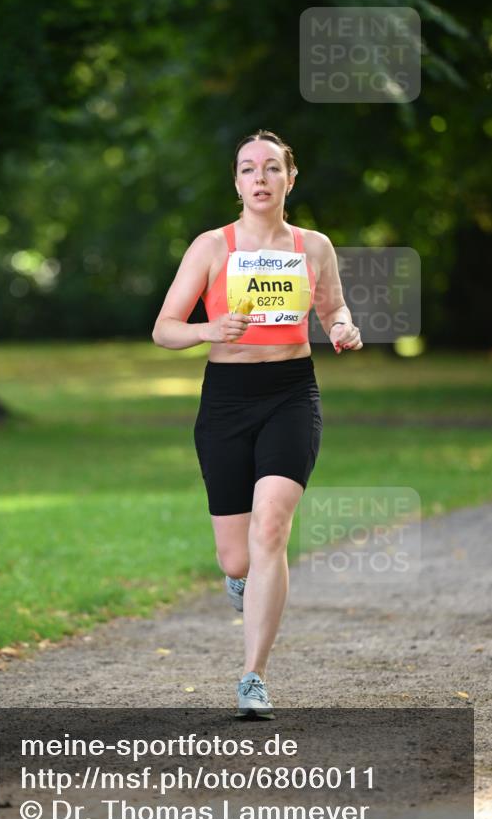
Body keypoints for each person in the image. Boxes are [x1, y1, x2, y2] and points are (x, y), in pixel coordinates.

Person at [152, 129, 363, 715]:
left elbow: (333, 307)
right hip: (226, 400)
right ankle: (243, 581)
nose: (261, 179)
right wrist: (205, 330)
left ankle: (253, 678)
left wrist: (343, 327)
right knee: (236, 557)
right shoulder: (212, 247)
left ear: (289, 179)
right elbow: (164, 327)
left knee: (270, 528)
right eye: (249, 169)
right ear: (237, 182)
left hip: (291, 393)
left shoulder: (313, 246)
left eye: (272, 168)